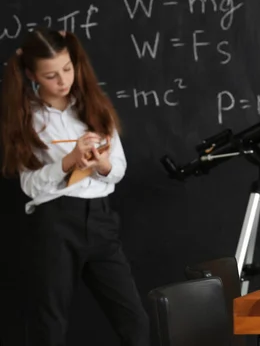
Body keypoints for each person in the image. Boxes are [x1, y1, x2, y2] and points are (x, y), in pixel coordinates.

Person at [0, 28, 149, 346]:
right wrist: (67, 161)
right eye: (51, 75)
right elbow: (29, 185)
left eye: (67, 69)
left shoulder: (95, 106)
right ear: (32, 75)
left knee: (134, 319)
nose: (63, 81)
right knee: (49, 323)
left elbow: (118, 169)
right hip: (53, 223)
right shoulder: (26, 117)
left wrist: (101, 164)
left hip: (100, 219)